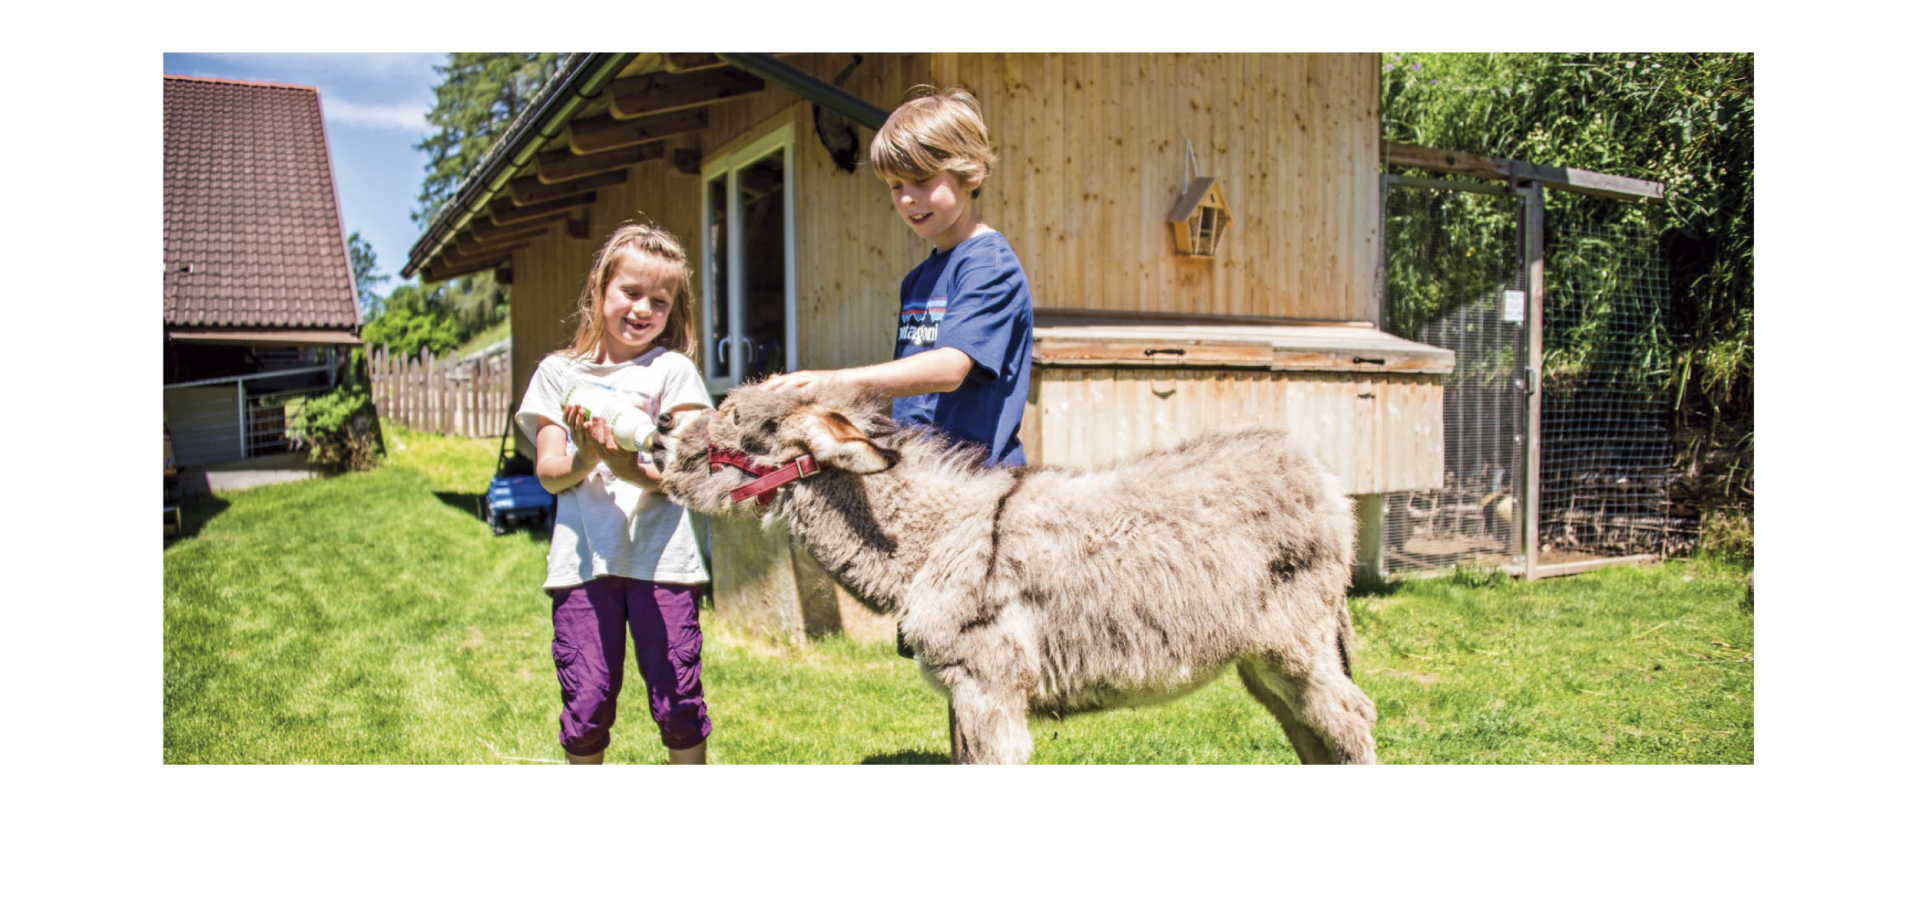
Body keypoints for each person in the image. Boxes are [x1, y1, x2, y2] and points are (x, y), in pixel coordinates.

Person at [514, 221, 714, 765]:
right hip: (584, 565)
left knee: (678, 702)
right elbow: (553, 472)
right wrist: (590, 456)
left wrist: (625, 464)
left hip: (662, 560)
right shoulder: (558, 375)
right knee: (588, 703)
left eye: (660, 300)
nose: (643, 309)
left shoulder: (672, 371)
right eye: (630, 292)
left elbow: (683, 469)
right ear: (599, 291)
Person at [767, 86, 1032, 467]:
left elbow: (948, 368)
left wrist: (838, 380)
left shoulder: (988, 265)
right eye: (895, 186)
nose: (907, 198)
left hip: (977, 485)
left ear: (971, 171)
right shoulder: (918, 279)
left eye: (921, 180)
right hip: (924, 474)